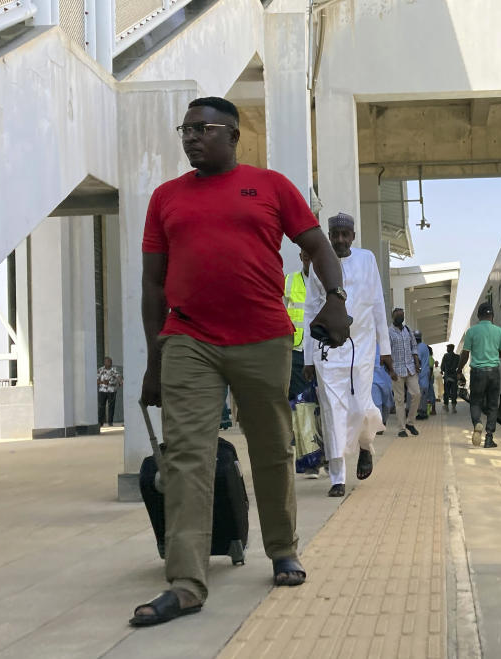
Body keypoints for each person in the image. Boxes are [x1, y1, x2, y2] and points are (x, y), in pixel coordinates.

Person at [133, 96, 350, 627]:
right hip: (188, 339)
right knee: (187, 456)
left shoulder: (271, 186)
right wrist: (154, 356)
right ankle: (186, 582)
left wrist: (336, 301)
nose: (189, 137)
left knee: (273, 448)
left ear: (232, 134)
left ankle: (282, 549)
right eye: (183, 129)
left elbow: (318, 246)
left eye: (201, 128)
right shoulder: (165, 198)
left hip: (262, 338)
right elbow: (153, 283)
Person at [302, 212, 391, 497]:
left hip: (362, 348)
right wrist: (307, 357)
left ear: (353, 236)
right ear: (329, 236)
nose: (340, 240)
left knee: (360, 407)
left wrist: (385, 350)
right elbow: (309, 310)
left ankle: (365, 445)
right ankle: (337, 478)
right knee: (332, 413)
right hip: (328, 351)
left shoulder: (367, 260)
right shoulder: (319, 264)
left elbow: (377, 303)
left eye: (345, 234)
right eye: (335, 235)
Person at [284, 248, 320, 479]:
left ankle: (326, 454)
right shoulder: (289, 281)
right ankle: (311, 461)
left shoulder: (327, 282)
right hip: (298, 352)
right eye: (306, 257)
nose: (309, 261)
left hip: (323, 353)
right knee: (303, 406)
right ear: (300, 258)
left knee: (324, 409)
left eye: (312, 257)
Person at [458, 302, 501, 448]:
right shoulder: (499, 331)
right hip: (493, 372)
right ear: (492, 316)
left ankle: (477, 423)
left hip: (478, 373)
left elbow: (465, 354)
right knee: (493, 405)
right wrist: (493, 351)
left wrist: (459, 370)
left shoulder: (472, 332)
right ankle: (489, 438)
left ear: (479, 316)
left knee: (476, 402)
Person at [387, 308, 421, 437]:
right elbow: (386, 353)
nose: (400, 318)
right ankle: (401, 429)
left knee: (417, 394)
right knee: (399, 400)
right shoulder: (389, 332)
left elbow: (414, 346)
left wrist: (417, 362)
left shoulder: (408, 330)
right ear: (393, 317)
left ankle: (410, 423)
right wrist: (390, 371)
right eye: (397, 316)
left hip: (410, 368)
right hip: (396, 370)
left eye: (402, 315)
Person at [371, 345, 393, 432]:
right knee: (377, 403)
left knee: (387, 403)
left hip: (385, 378)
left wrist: (392, 371)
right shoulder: (366, 343)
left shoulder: (385, 344)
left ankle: (383, 421)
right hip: (373, 378)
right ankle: (379, 425)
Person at [97, 357, 123, 426]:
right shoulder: (100, 370)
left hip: (112, 391)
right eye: (108, 361)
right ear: (104, 362)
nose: (109, 363)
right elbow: (96, 380)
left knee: (111, 407)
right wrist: (103, 382)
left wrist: (120, 381)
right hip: (102, 391)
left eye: (110, 362)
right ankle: (100, 422)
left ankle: (110, 422)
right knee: (101, 407)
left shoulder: (114, 370)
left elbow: (118, 376)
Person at [414, 331, 430, 420]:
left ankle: (422, 413)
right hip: (425, 375)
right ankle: (423, 412)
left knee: (420, 396)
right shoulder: (424, 346)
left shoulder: (419, 348)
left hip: (421, 375)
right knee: (424, 395)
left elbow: (418, 361)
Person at [440, 344, 459, 412]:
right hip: (454, 376)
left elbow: (442, 366)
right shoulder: (457, 357)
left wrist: (442, 371)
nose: (446, 349)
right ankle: (454, 408)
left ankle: (446, 406)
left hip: (447, 377)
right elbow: (459, 367)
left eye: (447, 348)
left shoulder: (445, 356)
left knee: (446, 392)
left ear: (450, 348)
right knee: (454, 392)